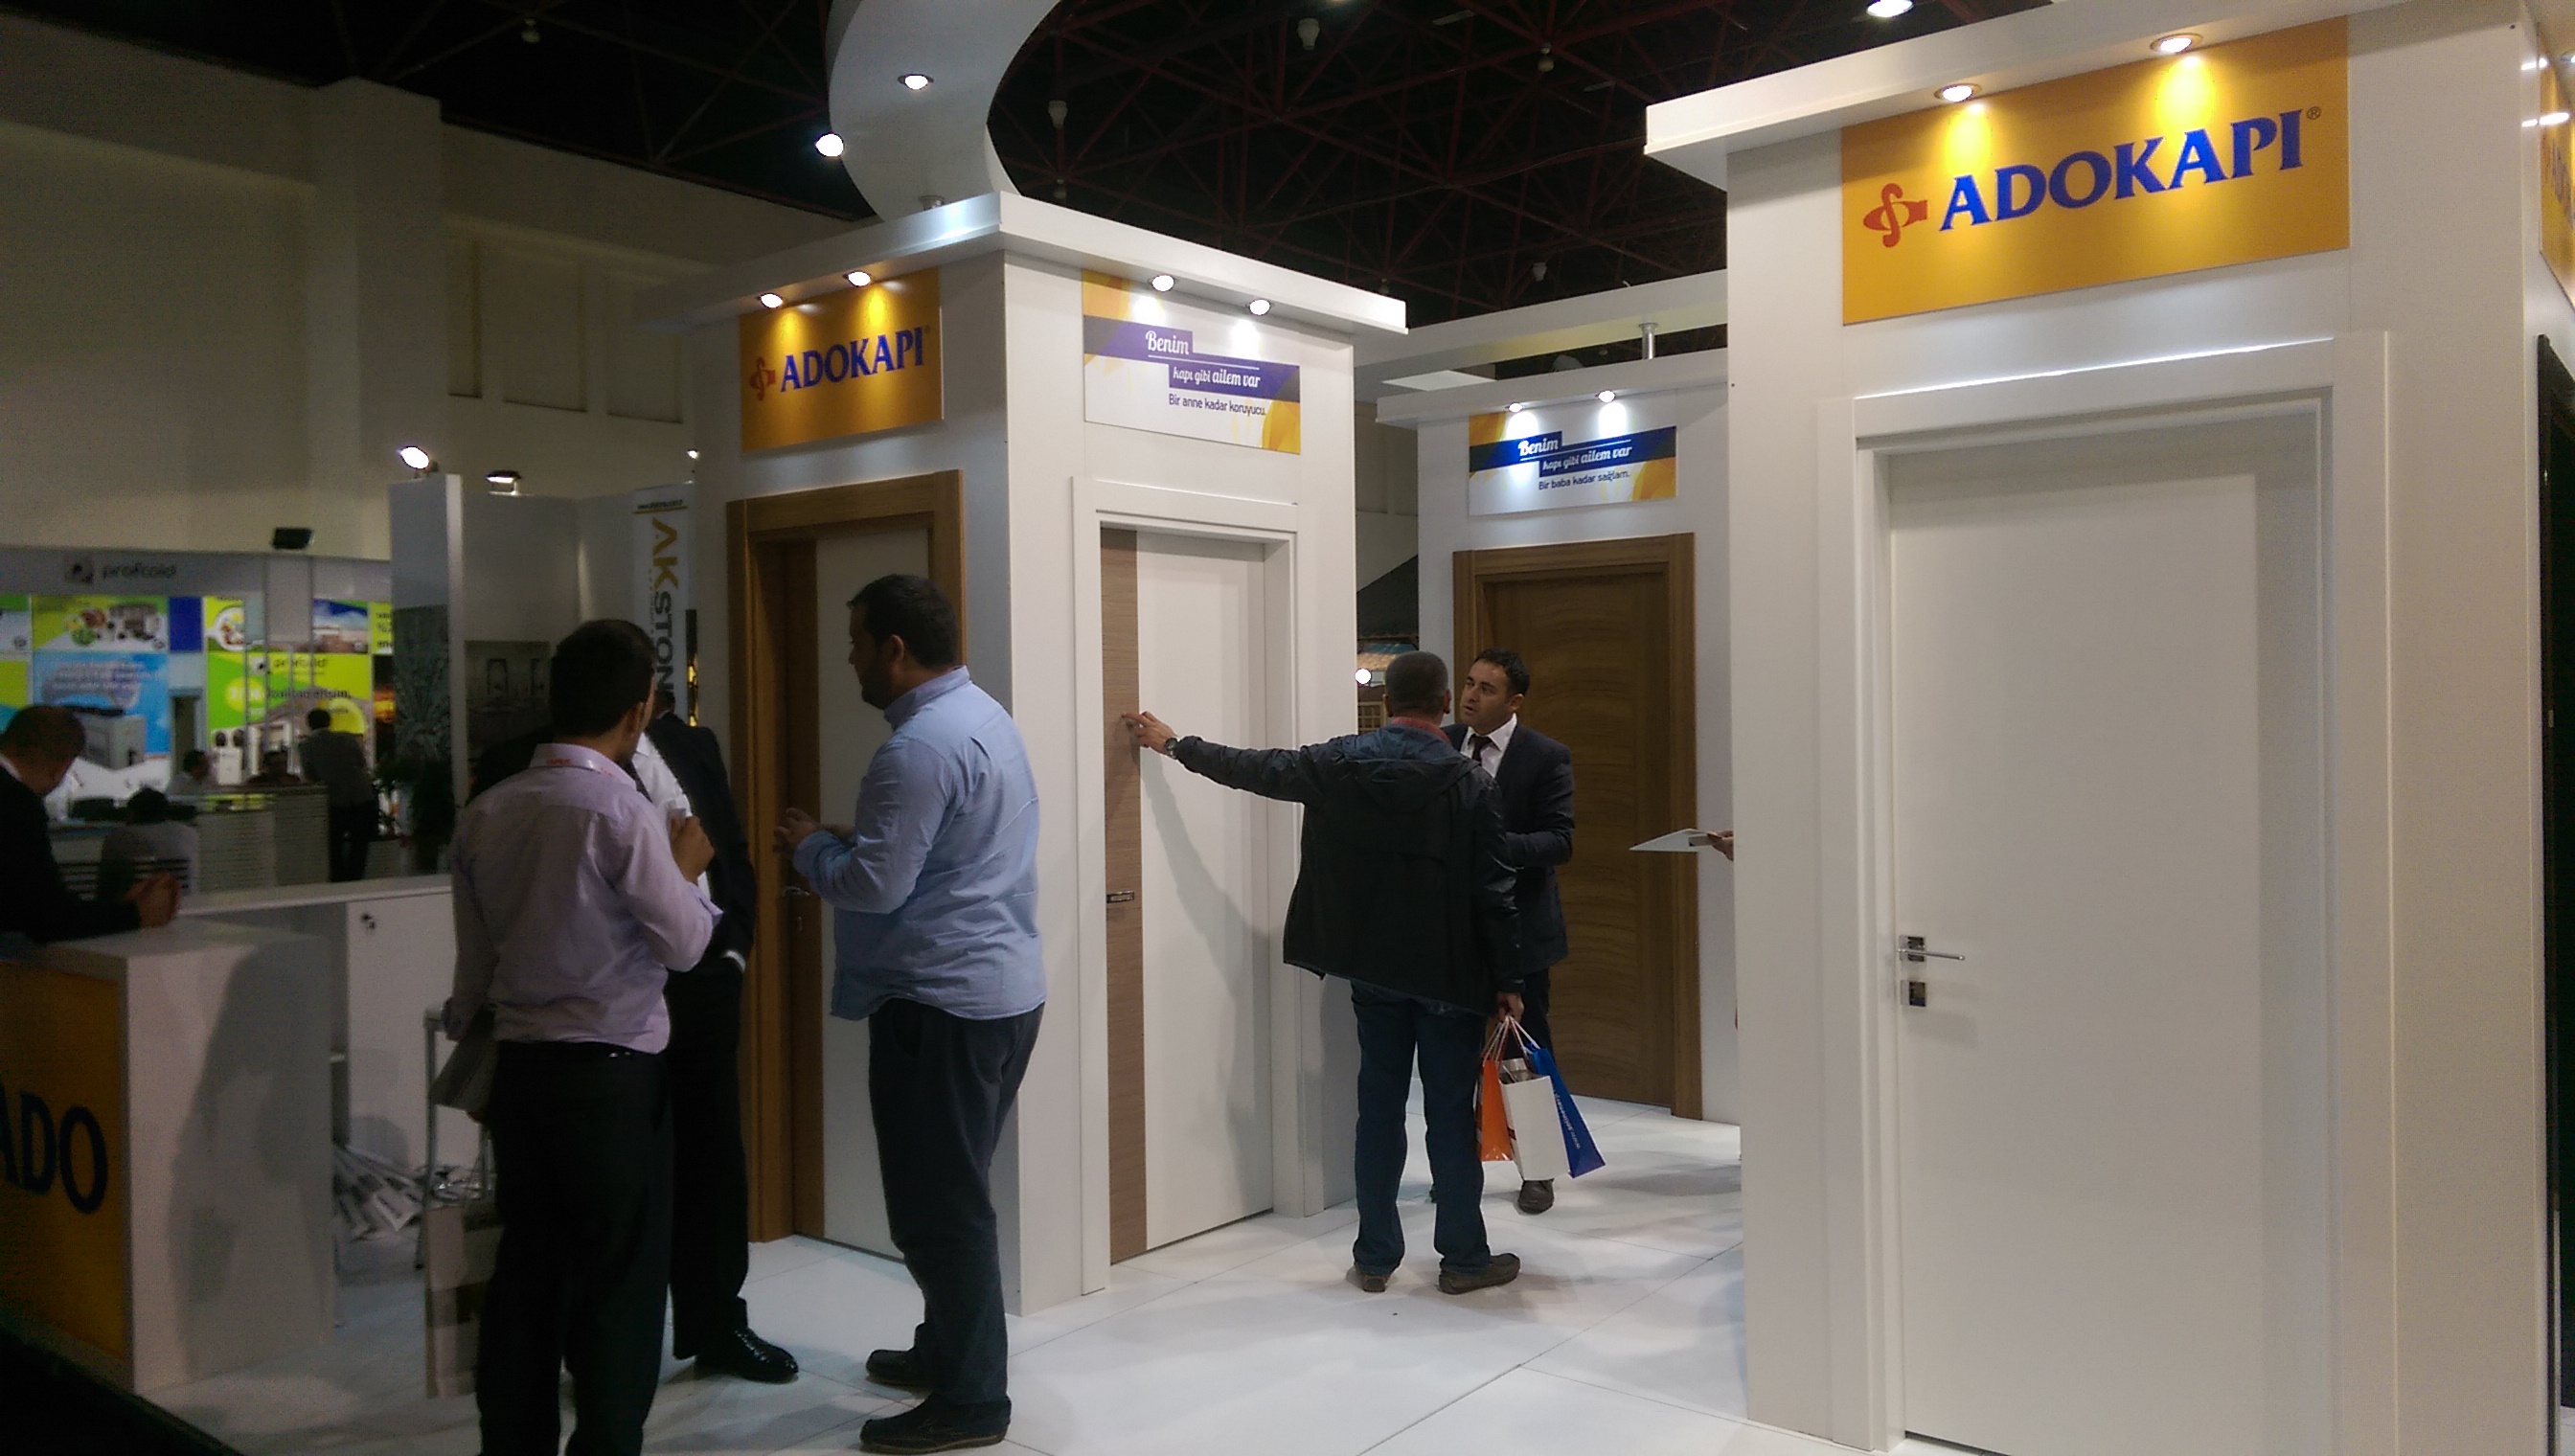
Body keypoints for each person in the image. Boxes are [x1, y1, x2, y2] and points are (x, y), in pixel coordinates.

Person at [1124, 649, 1531, 1297]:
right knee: (1451, 1118)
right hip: (1451, 976)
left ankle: (1375, 1257)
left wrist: (1174, 744)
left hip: (1371, 968)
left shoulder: (1338, 763)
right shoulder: (1470, 784)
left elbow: (1250, 768)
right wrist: (1510, 978)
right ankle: (1462, 1259)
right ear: (1444, 703)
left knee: (1378, 1111)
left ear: (1387, 701)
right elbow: (1495, 891)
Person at [774, 574, 1044, 1456]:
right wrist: (855, 843)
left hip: (940, 1006)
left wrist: (811, 850)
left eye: (857, 642)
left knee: (939, 1210)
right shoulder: (984, 717)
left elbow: (877, 886)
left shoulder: (918, 748)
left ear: (895, 649)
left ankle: (972, 1398)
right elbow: (946, 854)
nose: (849, 658)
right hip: (997, 996)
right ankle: (946, 1351)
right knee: (951, 1193)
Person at [444, 620, 718, 1456]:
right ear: (638, 713)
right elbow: (686, 945)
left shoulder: (486, 812)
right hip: (612, 1079)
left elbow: (473, 975)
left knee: (527, 1273)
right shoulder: (623, 812)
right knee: (619, 1288)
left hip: (521, 1078)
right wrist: (686, 872)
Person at [631, 687, 797, 1383]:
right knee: (627, 1179)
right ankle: (614, 1353)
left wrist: (734, 954)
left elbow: (732, 853)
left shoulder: (691, 747)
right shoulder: (549, 766)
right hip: (616, 999)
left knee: (713, 1163)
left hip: (701, 990)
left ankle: (718, 1323)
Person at [1445, 648, 1575, 1216]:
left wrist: (1492, 848)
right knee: (1452, 1056)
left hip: (1521, 931)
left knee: (1524, 1052)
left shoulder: (1544, 756)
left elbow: (1559, 841)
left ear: (1514, 701)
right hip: (1452, 930)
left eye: (1486, 689)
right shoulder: (1444, 743)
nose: (1471, 696)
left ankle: (1538, 1170)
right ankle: (1456, 1171)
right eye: (1468, 683)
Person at [1, 706, 180, 944]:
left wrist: (115, 909)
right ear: (61, 768)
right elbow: (48, 917)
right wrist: (136, 913)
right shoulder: (17, 805)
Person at [300, 707, 376, 881]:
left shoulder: (306, 746)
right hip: (361, 795)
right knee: (360, 843)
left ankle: (338, 880)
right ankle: (356, 878)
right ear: (330, 721)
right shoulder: (347, 739)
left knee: (334, 844)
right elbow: (361, 763)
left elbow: (310, 776)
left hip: (334, 800)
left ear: (309, 725)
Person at [99, 787, 198, 901]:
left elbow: (106, 884)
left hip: (138, 905)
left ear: (133, 813)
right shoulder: (189, 833)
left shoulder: (121, 836)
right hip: (184, 902)